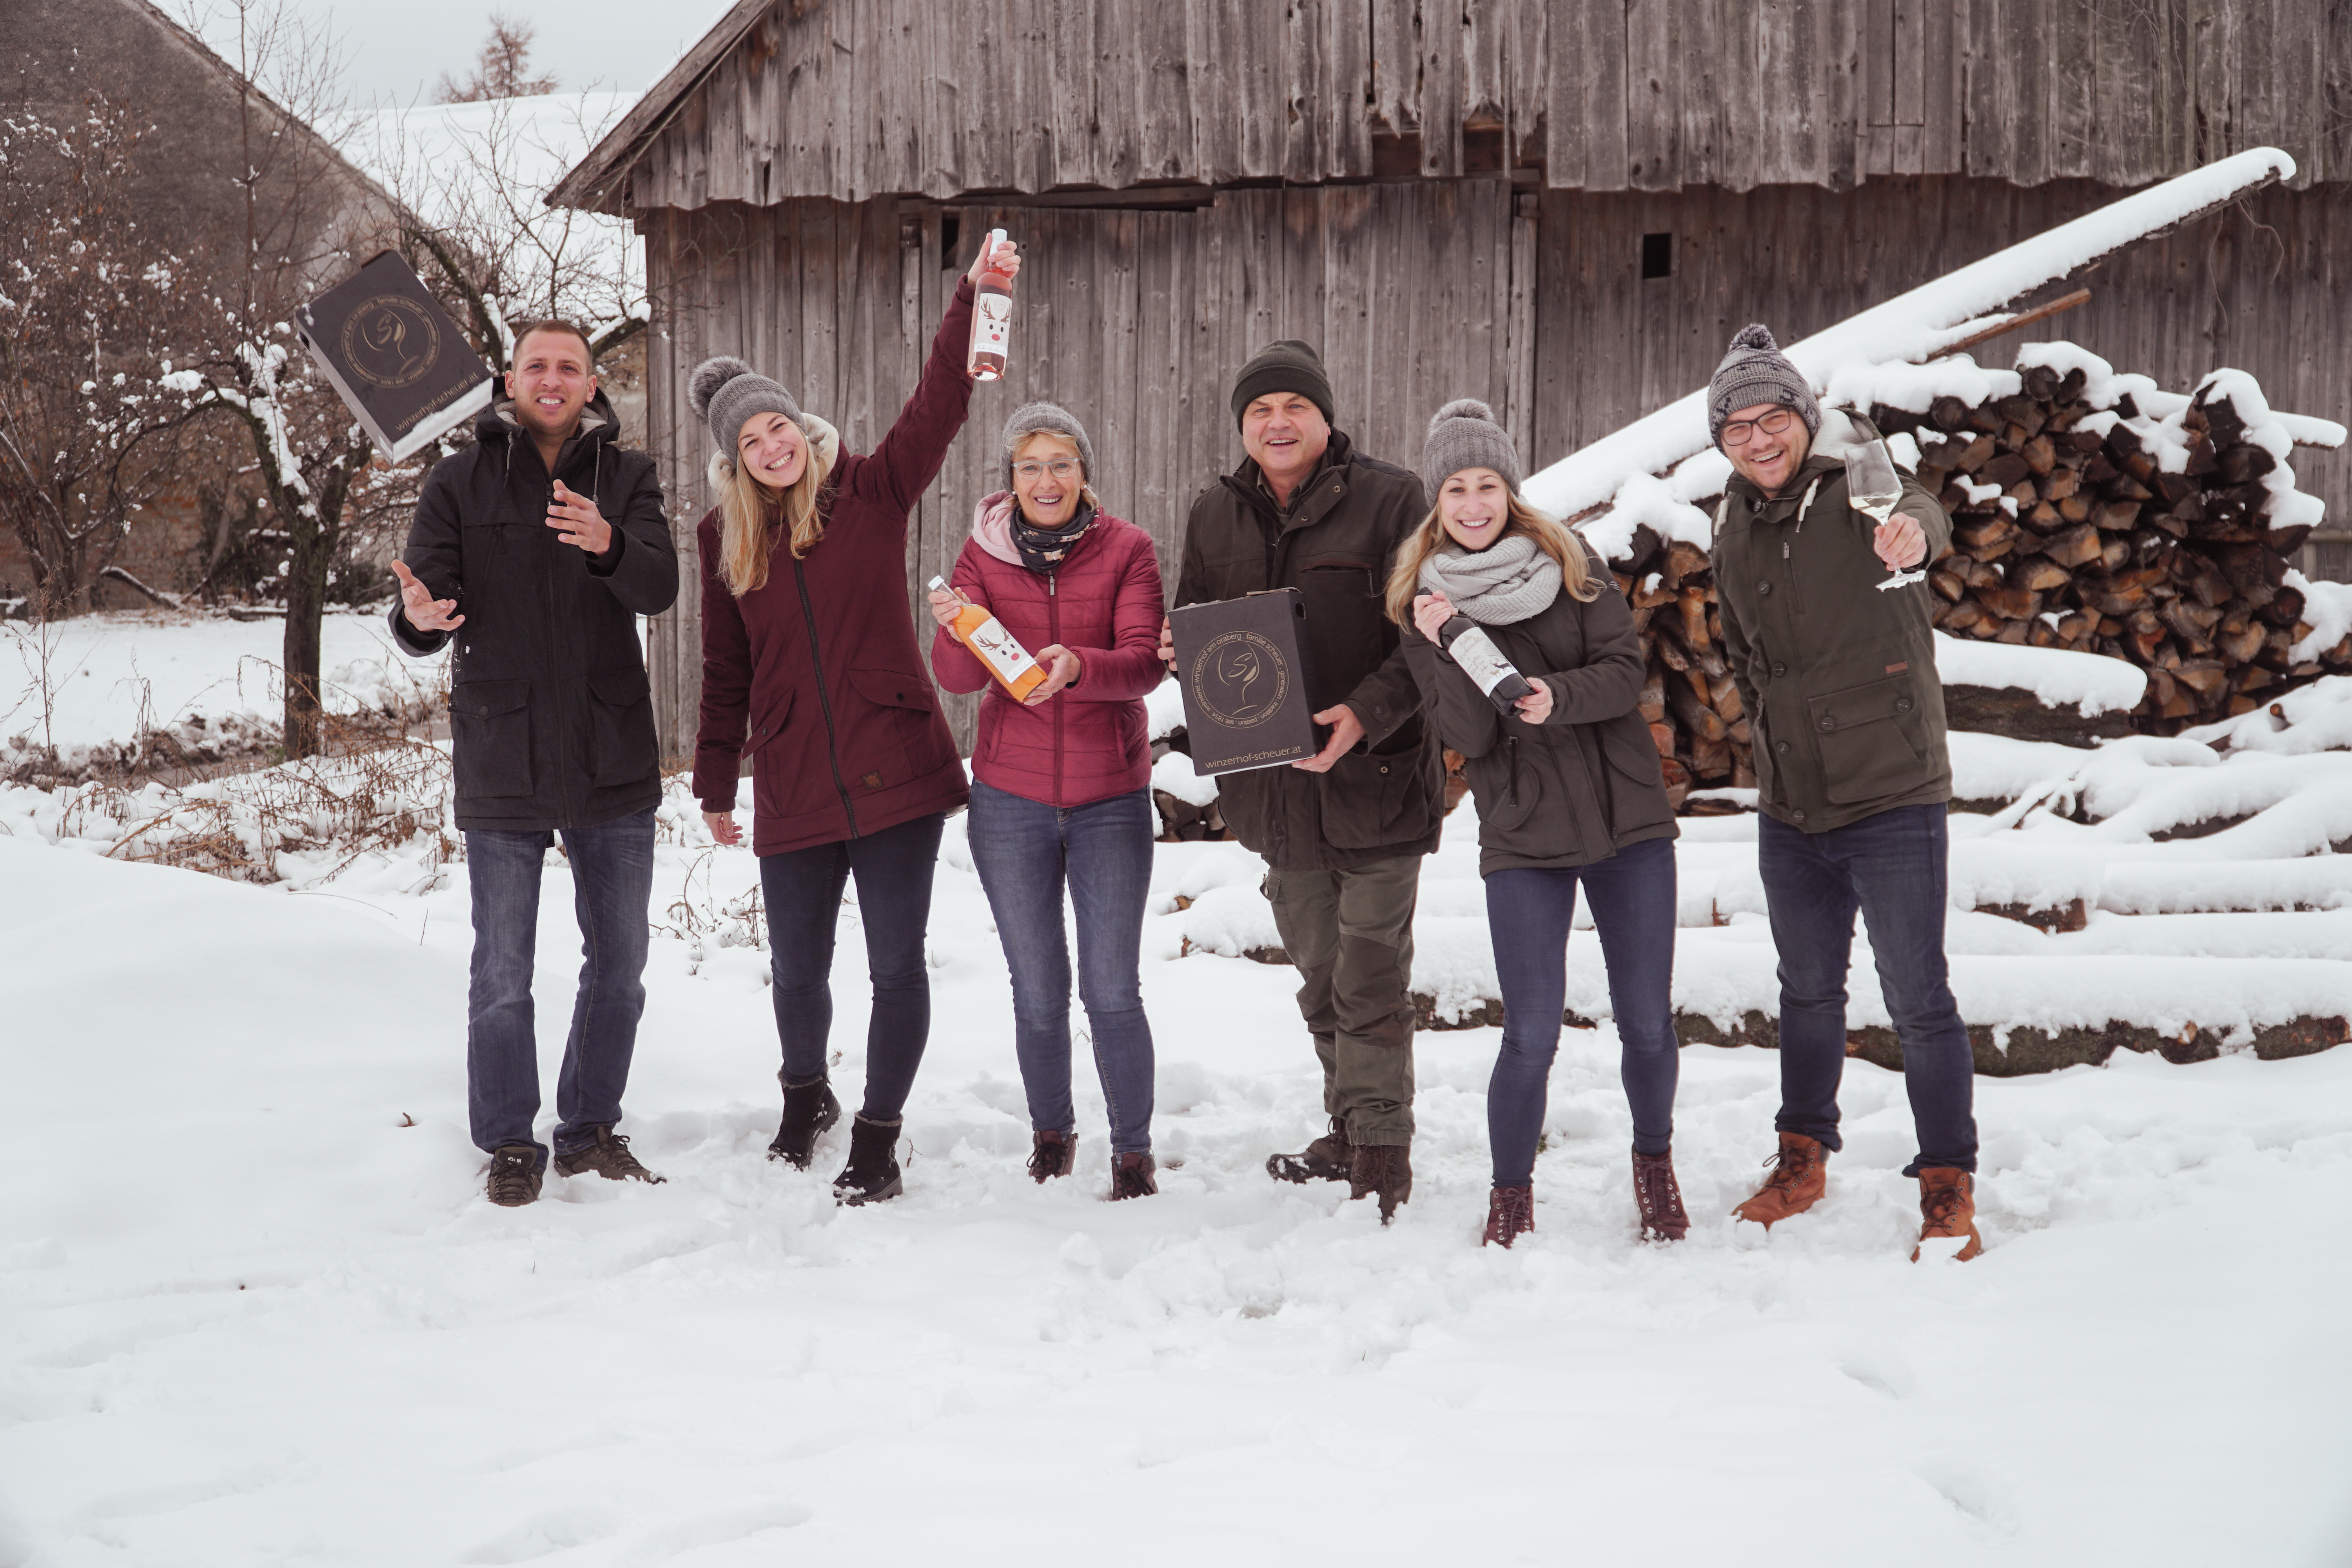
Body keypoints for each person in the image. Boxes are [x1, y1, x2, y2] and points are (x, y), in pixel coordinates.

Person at [690, 234, 1020, 1207]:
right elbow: (724, 670)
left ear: (801, 426)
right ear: (736, 462)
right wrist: (716, 780)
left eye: (778, 427)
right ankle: (806, 1095)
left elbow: (942, 401)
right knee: (796, 968)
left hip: (895, 773)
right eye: (751, 441)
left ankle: (878, 1132)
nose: (772, 445)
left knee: (894, 965)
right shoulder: (723, 539)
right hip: (791, 776)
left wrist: (975, 297)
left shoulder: (872, 491)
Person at [1705, 323, 1983, 1261]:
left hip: (1893, 790)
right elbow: (1742, 648)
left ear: (1802, 416)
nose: (1758, 437)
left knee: (1917, 997)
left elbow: (1923, 518)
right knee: (1807, 992)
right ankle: (1802, 1157)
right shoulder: (1733, 518)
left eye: (1773, 415)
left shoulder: (1861, 479)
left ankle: (1947, 1183)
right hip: (1793, 805)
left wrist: (1914, 532)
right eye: (1737, 425)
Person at [388, 320, 679, 1208]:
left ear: (593, 383)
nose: (551, 380)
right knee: (502, 969)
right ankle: (511, 1139)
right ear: (508, 379)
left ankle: (589, 1126)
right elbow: (423, 599)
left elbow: (659, 586)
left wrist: (610, 544)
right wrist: (420, 620)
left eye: (569, 367)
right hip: (502, 750)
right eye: (535, 366)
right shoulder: (459, 477)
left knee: (620, 960)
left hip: (610, 749)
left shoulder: (626, 477)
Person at [1161, 340, 1441, 1223]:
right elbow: (1200, 625)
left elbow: (1429, 637)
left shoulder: (1393, 499)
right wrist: (1183, 650)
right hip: (1276, 793)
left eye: (1294, 407)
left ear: (1325, 417)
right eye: (1259, 411)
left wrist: (1363, 712)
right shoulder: (1215, 513)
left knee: (1370, 977)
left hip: (1377, 777)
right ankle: (1351, 1125)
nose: (1277, 423)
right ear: (1244, 426)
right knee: (1320, 975)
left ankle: (1384, 1150)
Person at [1397, 400, 1685, 1248]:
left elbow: (1625, 670)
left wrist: (1558, 697)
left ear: (1511, 490)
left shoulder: (1569, 557)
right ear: (1437, 501)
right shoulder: (1422, 603)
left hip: (1626, 815)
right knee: (1529, 1030)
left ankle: (1655, 1161)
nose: (1475, 502)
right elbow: (1473, 733)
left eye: (1488, 483)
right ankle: (1511, 1191)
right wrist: (1450, 639)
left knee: (1646, 1017)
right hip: (1523, 830)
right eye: (1457, 487)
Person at [925, 401, 1166, 1200]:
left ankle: (1132, 1149)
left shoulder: (1129, 548)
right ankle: (1051, 1133)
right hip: (1011, 800)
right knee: (1036, 988)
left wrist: (1079, 667)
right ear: (1011, 478)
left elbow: (1142, 663)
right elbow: (959, 680)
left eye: (1061, 461)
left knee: (1111, 988)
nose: (1047, 479)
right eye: (1030, 465)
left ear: (1084, 471)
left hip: (1110, 799)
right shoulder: (982, 554)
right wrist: (952, 630)